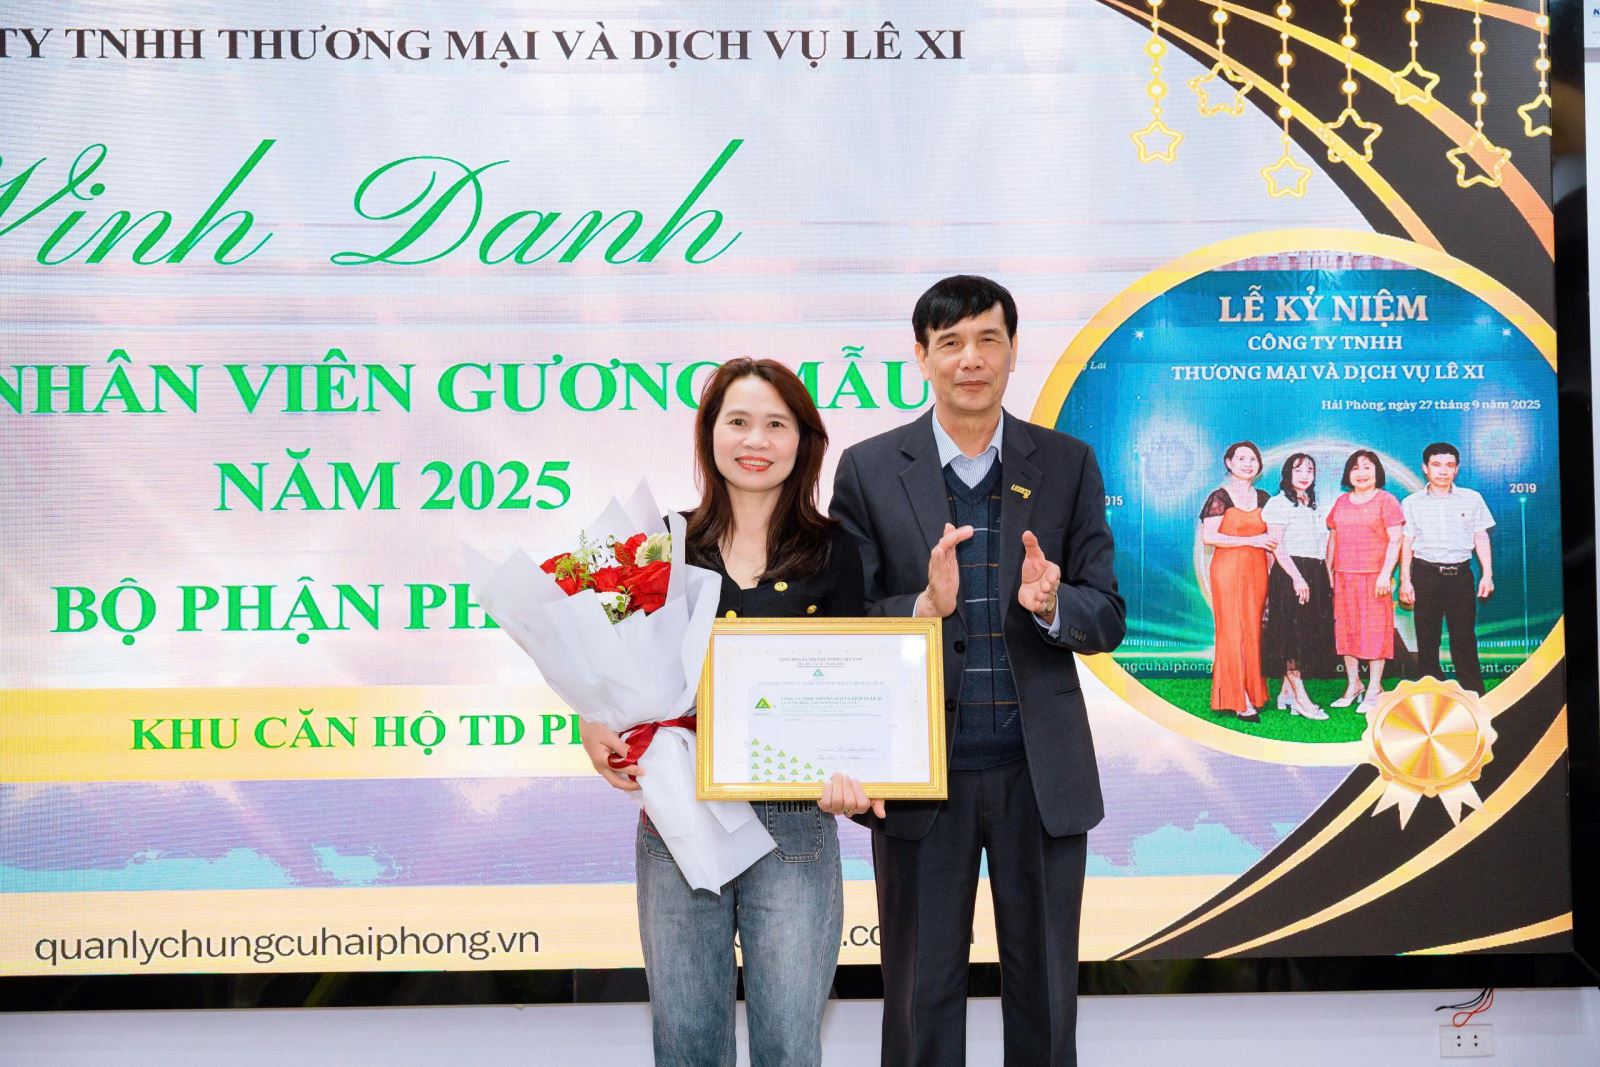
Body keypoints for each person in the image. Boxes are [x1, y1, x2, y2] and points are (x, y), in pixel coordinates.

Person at [830, 275, 1124, 1066]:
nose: (971, 359)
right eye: (951, 343)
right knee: (919, 1001)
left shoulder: (1066, 463)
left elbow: (1106, 614)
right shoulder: (866, 469)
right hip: (920, 777)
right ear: (921, 355)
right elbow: (845, 623)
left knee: (1047, 1000)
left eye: (989, 339)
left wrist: (1053, 604)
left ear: (1014, 351)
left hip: (1041, 773)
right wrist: (922, 606)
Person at [578, 358, 879, 1067]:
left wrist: (858, 772)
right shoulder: (656, 543)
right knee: (686, 1046)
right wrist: (592, 720)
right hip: (679, 811)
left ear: (804, 441)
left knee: (789, 1048)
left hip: (796, 821)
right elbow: (597, 659)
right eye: (738, 421)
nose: (756, 440)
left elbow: (862, 681)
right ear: (709, 433)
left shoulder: (838, 550)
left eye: (777, 424)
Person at [1398, 442, 1495, 693]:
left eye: (1449, 465)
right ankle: (1430, 690)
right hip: (1425, 575)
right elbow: (1407, 542)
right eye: (1436, 465)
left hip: (1460, 576)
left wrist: (1487, 575)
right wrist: (1405, 581)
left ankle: (1474, 692)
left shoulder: (1472, 498)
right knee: (1426, 637)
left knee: (1463, 636)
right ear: (1425, 468)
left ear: (1456, 469)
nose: (1443, 471)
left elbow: (1481, 536)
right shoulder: (1412, 502)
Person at [1199, 442, 1277, 722]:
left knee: (1253, 631)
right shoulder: (1219, 497)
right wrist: (1251, 540)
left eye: (1252, 459)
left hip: (1258, 571)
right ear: (1229, 463)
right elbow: (1209, 537)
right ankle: (1238, 698)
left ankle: (1253, 691)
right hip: (1228, 571)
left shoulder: (1265, 498)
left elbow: (1272, 540)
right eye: (1241, 458)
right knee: (1232, 631)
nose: (1248, 464)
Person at [1325, 449, 1405, 714]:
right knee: (1346, 631)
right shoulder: (1341, 502)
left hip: (1374, 579)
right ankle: (1353, 685)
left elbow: (1396, 539)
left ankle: (1374, 688)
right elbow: (1333, 538)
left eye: (1367, 467)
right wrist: (1329, 570)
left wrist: (1385, 574)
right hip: (1343, 577)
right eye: (1355, 468)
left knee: (1374, 632)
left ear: (1377, 472)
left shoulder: (1387, 501)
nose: (1361, 473)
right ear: (1348, 474)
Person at [1261, 452, 1335, 720]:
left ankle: (1286, 693)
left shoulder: (1313, 505)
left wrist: (1325, 577)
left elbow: (1322, 545)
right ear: (1287, 474)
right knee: (1290, 637)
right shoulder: (1278, 503)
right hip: (1290, 573)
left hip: (1315, 572)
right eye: (1298, 470)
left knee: (1304, 634)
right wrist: (1297, 578)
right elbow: (1276, 546)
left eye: (1310, 470)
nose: (1304, 475)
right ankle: (1302, 700)